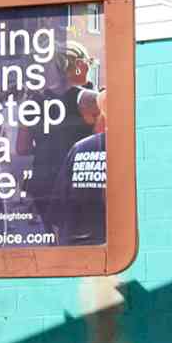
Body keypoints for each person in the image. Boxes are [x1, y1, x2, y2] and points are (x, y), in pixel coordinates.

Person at [27, 41, 98, 223]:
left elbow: (21, 147)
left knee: (56, 243)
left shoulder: (35, 101)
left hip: (43, 182)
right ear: (78, 65)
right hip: (75, 183)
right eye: (88, 63)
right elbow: (103, 141)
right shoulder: (89, 99)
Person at [54, 89, 108, 245]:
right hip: (106, 242)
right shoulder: (127, 146)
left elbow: (59, 205)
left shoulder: (79, 149)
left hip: (75, 243)